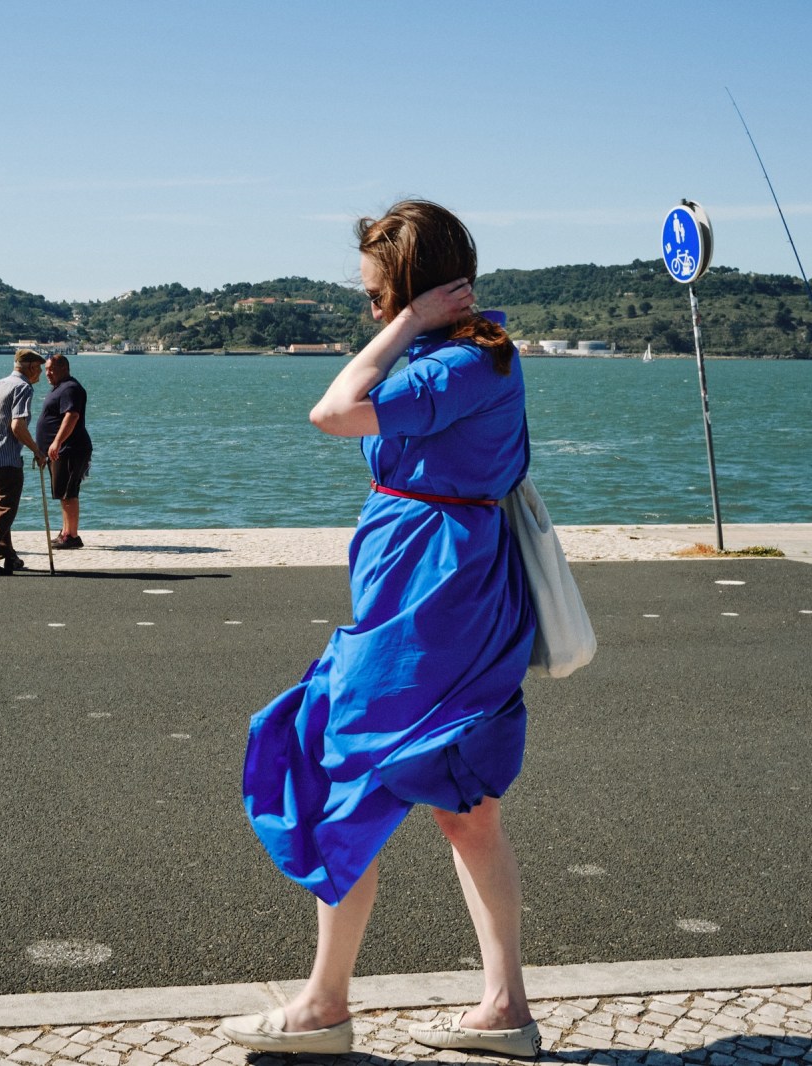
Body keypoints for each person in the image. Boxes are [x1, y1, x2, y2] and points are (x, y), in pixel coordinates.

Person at [220, 202, 542, 1058]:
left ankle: (328, 1005)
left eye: (378, 296)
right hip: (433, 591)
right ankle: (502, 1009)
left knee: (351, 774)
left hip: (434, 605)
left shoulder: (455, 367)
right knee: (463, 808)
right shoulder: (455, 356)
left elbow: (330, 413)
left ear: (417, 291)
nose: (370, 312)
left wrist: (402, 325)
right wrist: (413, 324)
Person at [0, 348, 48, 576]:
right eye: (39, 369)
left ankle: (8, 555)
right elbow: (17, 426)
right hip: (4, 457)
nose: (41, 374)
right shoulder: (23, 388)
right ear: (32, 367)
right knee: (5, 510)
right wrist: (37, 450)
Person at [35, 354, 92, 548]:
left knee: (69, 492)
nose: (47, 373)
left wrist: (57, 442)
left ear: (64, 368)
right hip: (60, 450)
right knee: (63, 492)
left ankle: (72, 536)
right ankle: (66, 531)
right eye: (46, 370)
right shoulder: (61, 388)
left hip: (69, 449)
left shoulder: (70, 388)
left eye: (51, 369)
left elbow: (72, 416)